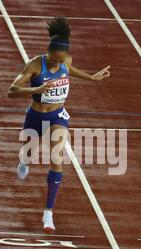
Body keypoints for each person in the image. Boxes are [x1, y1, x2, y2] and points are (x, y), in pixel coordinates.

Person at [8, 17, 110, 233]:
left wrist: (91, 78)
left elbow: (70, 70)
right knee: (27, 154)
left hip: (57, 117)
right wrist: (34, 91)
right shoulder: (35, 65)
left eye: (60, 61)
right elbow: (12, 90)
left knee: (57, 157)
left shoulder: (66, 62)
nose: (57, 64)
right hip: (35, 117)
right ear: (48, 52)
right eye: (54, 60)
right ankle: (24, 162)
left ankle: (48, 213)